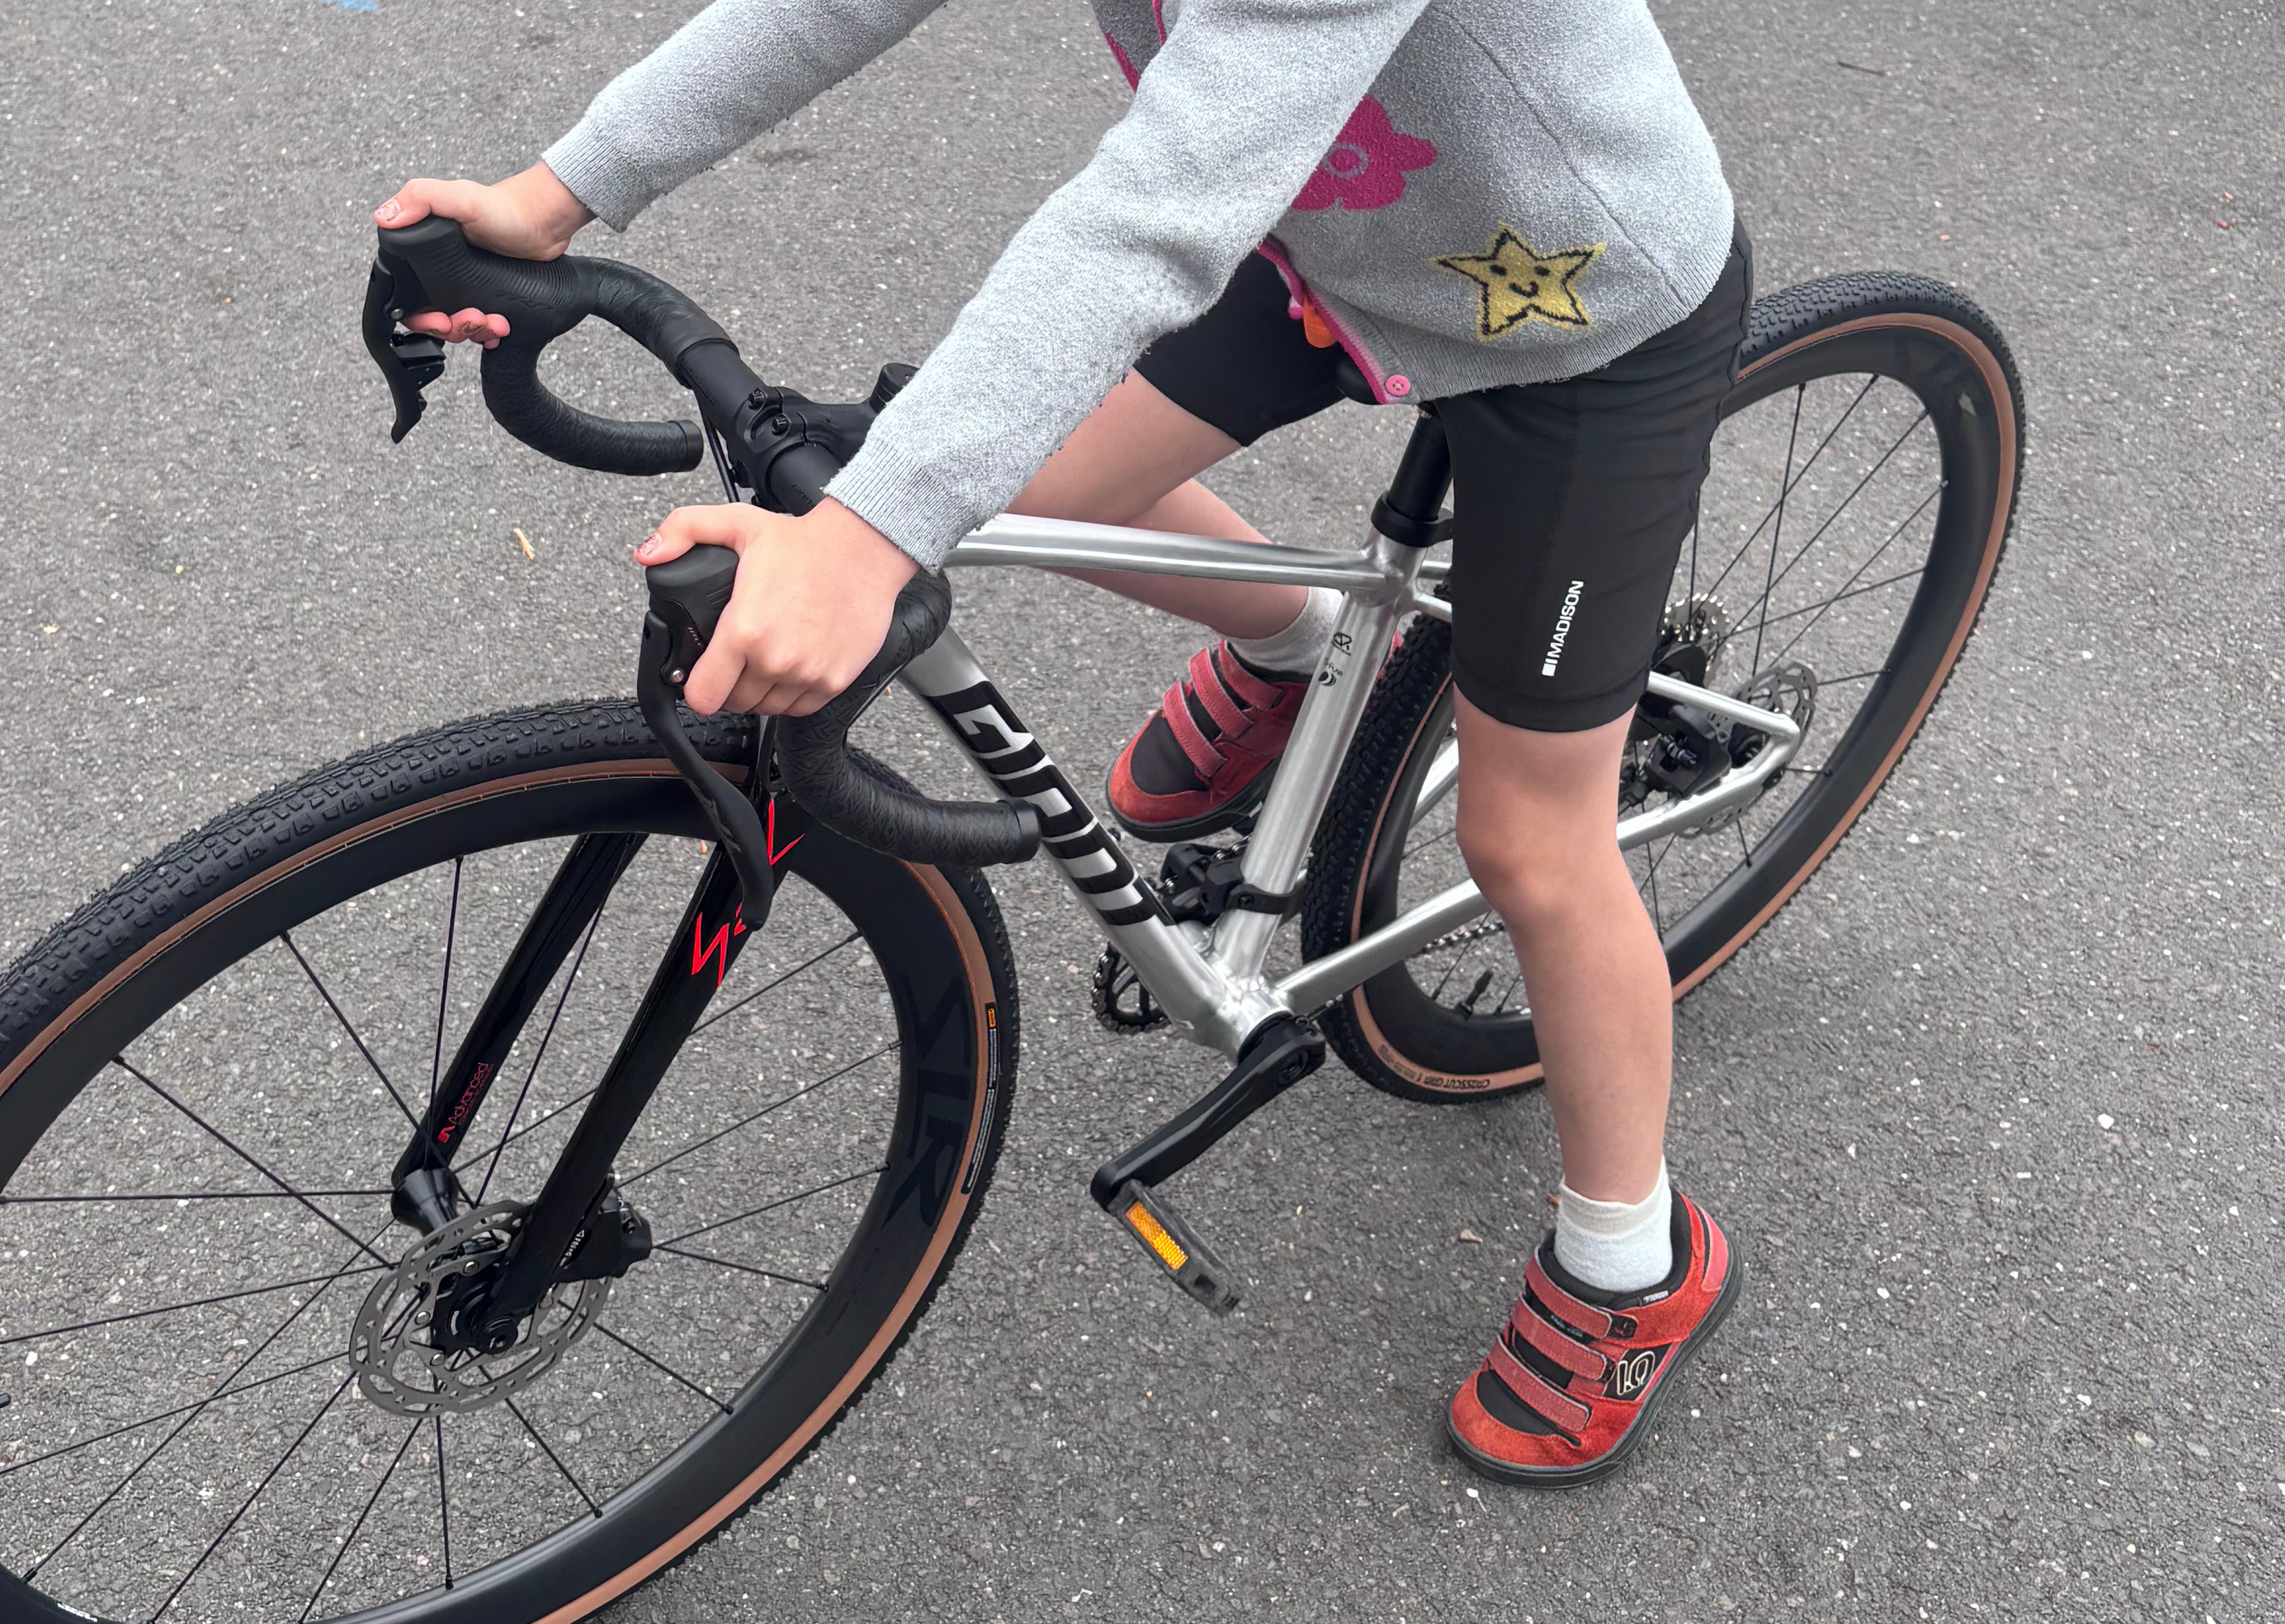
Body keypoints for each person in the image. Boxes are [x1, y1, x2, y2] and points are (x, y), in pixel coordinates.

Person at [376, 0, 1744, 1485]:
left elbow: (1156, 213)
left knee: (1528, 836)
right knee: (1023, 477)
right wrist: (566, 187)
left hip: (1575, 314)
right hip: (1320, 232)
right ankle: (1293, 647)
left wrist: (868, 537)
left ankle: (1636, 1260)